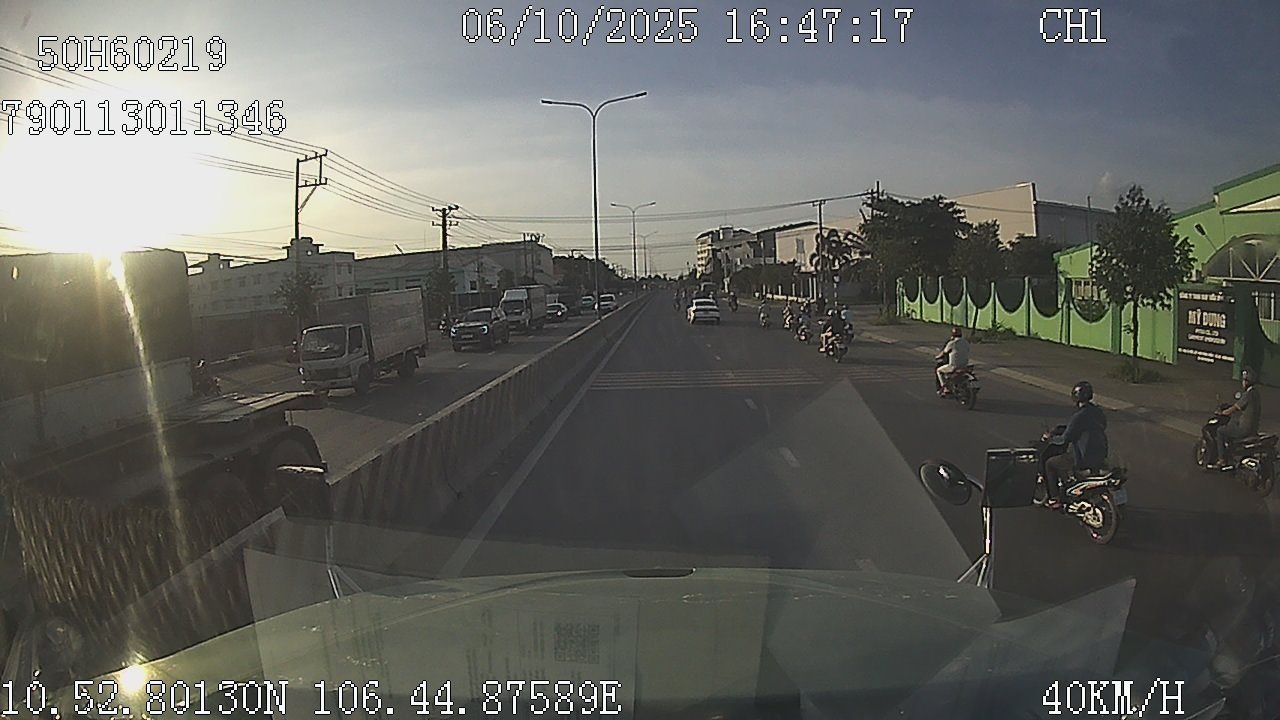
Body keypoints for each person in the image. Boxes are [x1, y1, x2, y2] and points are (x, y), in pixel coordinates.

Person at [1041, 381, 1109, 509]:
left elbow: (1065, 438)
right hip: (1101, 453)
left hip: (1083, 456)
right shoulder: (1098, 412)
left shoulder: (1079, 416)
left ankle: (1054, 499)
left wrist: (1051, 439)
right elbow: (1094, 426)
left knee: (1050, 463)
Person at [1210, 368, 1262, 470]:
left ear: (1247, 382)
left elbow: (1235, 408)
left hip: (1244, 429)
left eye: (1243, 380)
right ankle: (1230, 454)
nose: (1242, 383)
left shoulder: (1248, 394)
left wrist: (1222, 413)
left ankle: (1222, 460)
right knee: (1232, 425)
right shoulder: (1256, 393)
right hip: (1253, 428)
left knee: (1220, 431)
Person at [934, 327, 971, 396]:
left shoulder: (952, 343)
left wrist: (937, 357)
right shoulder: (966, 342)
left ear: (952, 335)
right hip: (964, 365)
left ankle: (946, 389)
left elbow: (944, 352)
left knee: (939, 371)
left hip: (954, 366)